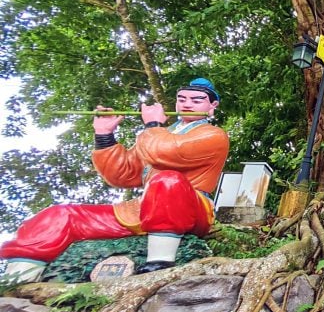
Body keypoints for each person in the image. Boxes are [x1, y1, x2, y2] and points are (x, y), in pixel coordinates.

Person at [1, 78, 229, 283]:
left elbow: (164, 152)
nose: (187, 104)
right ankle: (17, 280)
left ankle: (159, 264)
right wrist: (104, 135)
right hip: (142, 209)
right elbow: (124, 173)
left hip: (189, 208)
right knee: (60, 215)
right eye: (182, 99)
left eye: (197, 100)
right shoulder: (161, 134)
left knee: (167, 181)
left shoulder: (212, 135)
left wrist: (152, 126)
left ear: (212, 106)